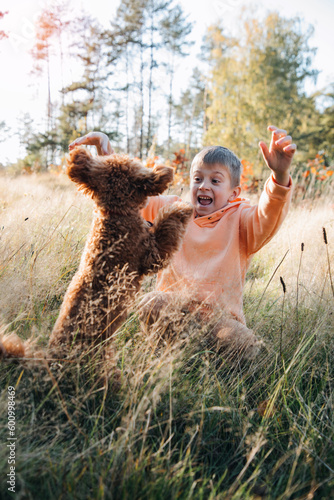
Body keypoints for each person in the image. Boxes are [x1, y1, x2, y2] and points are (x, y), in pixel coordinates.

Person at [69, 126, 296, 359]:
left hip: (220, 322)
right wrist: (107, 153)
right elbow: (131, 195)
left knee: (250, 350)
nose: (204, 185)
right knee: (151, 303)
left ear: (233, 193)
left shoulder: (242, 219)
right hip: (171, 309)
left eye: (215, 181)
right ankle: (172, 359)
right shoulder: (172, 210)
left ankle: (208, 364)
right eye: (198, 178)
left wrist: (279, 176)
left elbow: (268, 215)